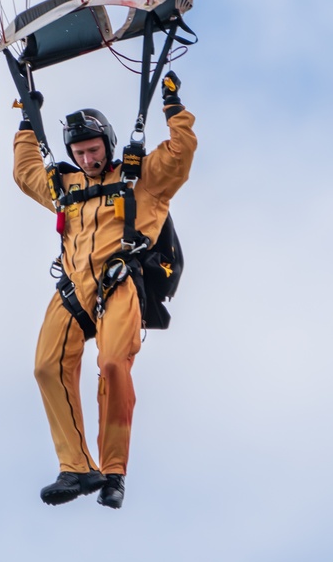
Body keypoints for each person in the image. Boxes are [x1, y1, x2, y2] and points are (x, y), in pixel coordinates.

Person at [13, 71, 197, 510]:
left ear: (108, 143)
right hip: (74, 288)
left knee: (113, 363)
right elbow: (25, 173)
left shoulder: (143, 178)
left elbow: (180, 155)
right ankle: (76, 467)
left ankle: (113, 471)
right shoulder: (66, 186)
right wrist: (26, 122)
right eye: (79, 152)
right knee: (46, 366)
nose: (88, 158)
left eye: (93, 150)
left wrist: (174, 109)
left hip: (120, 284)